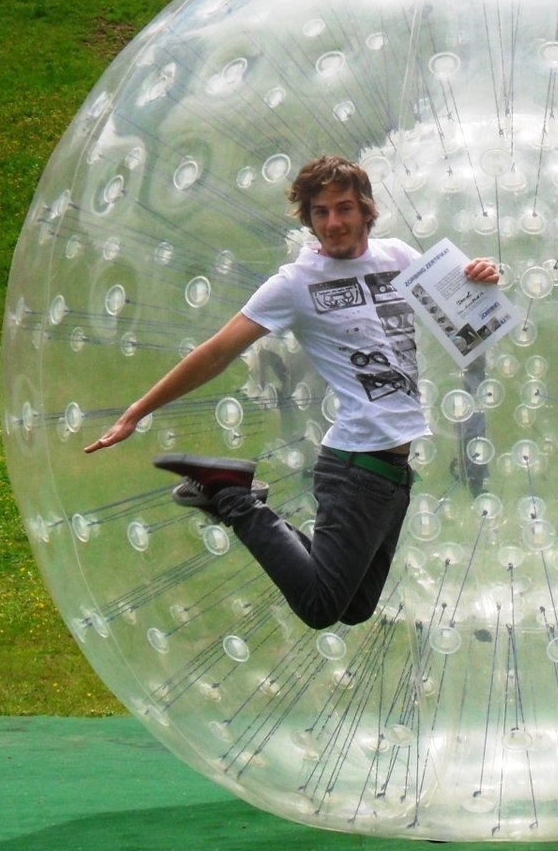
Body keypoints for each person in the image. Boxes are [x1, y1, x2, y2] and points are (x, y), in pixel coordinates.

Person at [85, 155, 500, 629]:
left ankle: (241, 498)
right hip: (355, 465)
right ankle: (234, 498)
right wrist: (138, 411)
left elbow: (467, 309)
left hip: (392, 471)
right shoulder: (295, 284)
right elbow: (217, 352)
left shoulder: (400, 257)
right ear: (308, 219)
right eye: (320, 213)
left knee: (354, 606)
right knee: (321, 607)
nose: (333, 223)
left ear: (366, 210)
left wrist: (480, 272)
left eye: (343, 208)